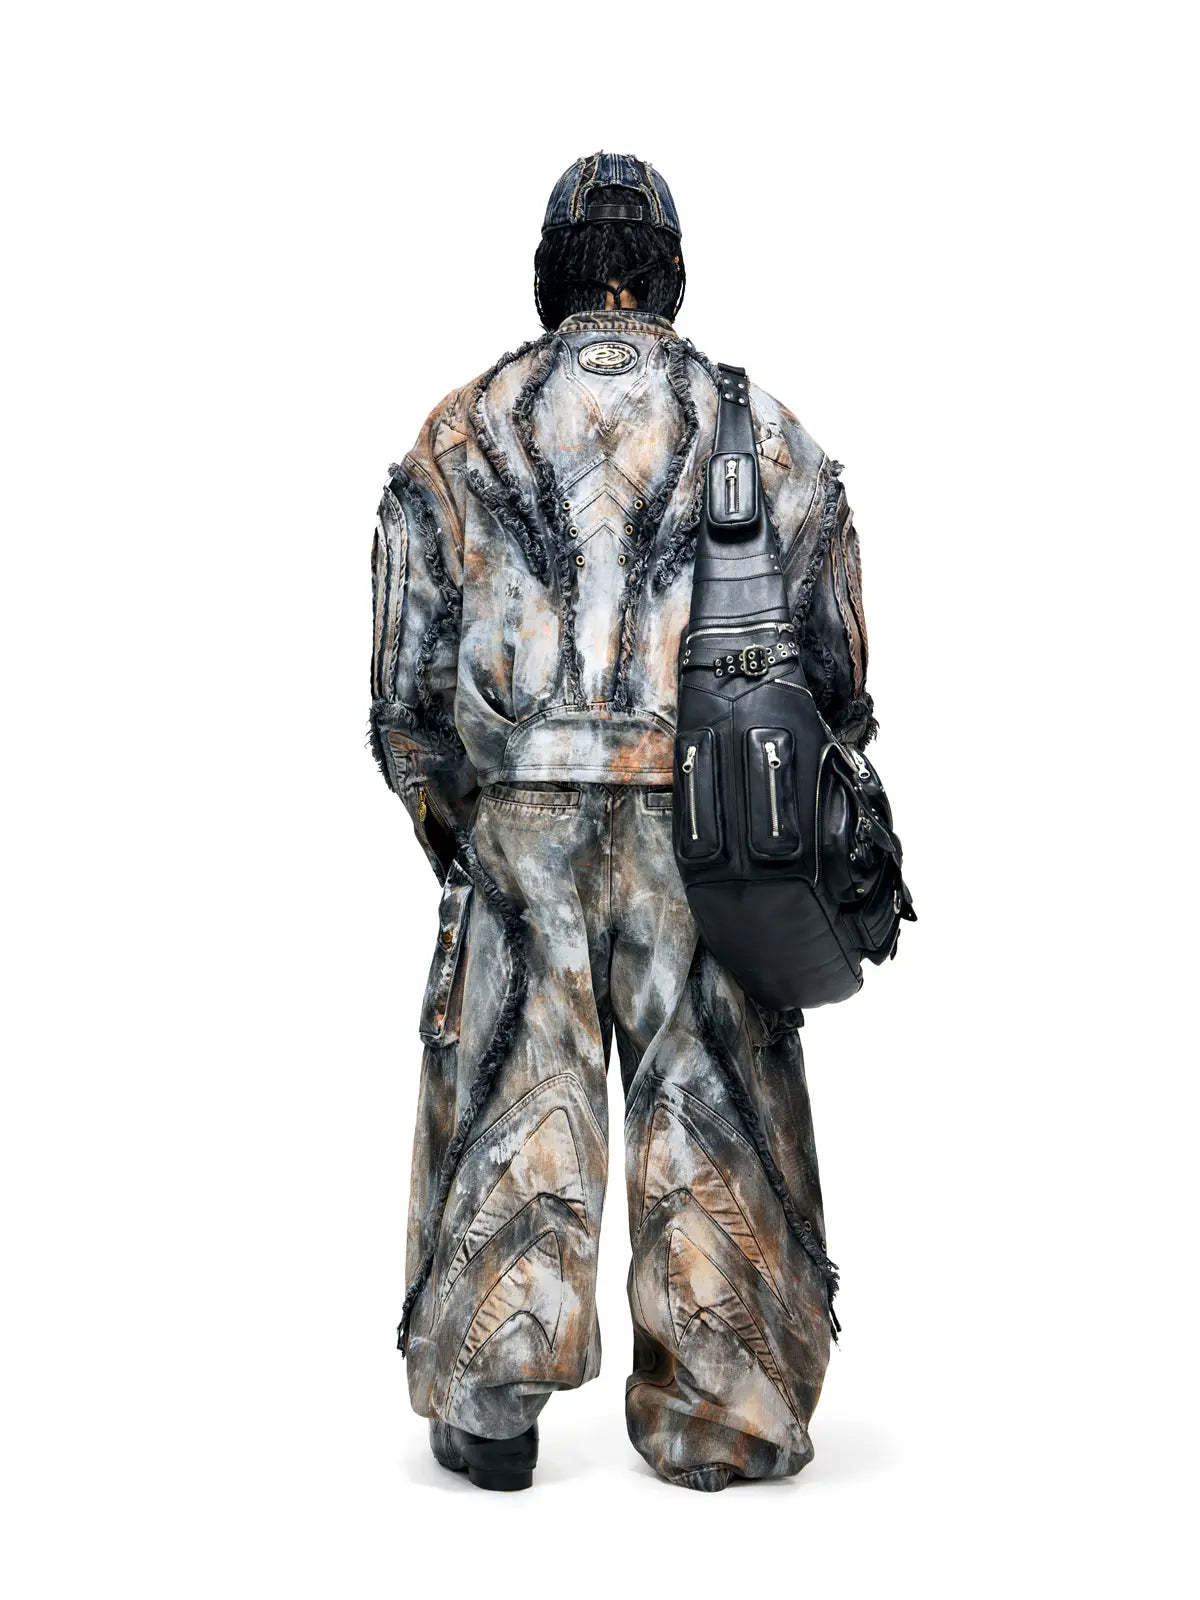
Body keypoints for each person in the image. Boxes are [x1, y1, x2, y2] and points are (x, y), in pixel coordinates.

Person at [369, 153, 874, 1492]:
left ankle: (491, 1408)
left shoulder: (462, 429)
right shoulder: (760, 428)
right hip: (710, 827)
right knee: (712, 1104)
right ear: (669, 273)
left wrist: (460, 824)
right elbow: (835, 680)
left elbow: (405, 689)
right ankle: (726, 1411)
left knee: (513, 1098)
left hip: (519, 823)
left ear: (552, 270)